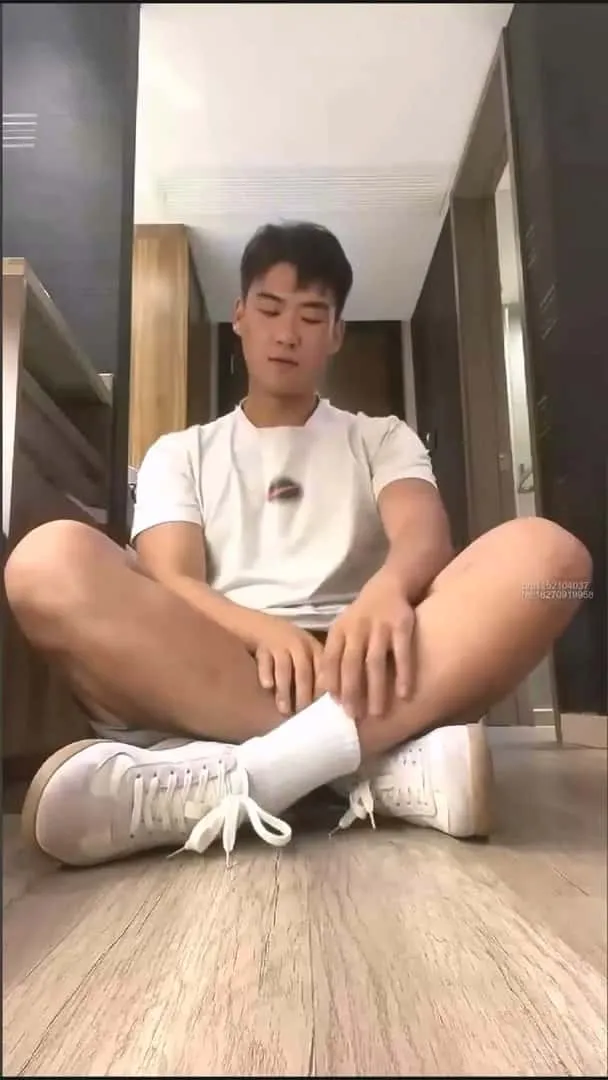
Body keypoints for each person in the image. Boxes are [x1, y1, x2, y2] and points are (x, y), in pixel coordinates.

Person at [4, 222, 591, 868]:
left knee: (552, 561)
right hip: (222, 664)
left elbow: (423, 535)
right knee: (45, 562)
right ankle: (368, 765)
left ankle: (244, 773)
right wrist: (261, 630)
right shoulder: (181, 452)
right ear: (240, 316)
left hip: (367, 669)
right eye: (270, 309)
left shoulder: (381, 437)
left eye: (312, 316)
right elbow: (173, 580)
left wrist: (386, 591)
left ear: (335, 334)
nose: (287, 333)